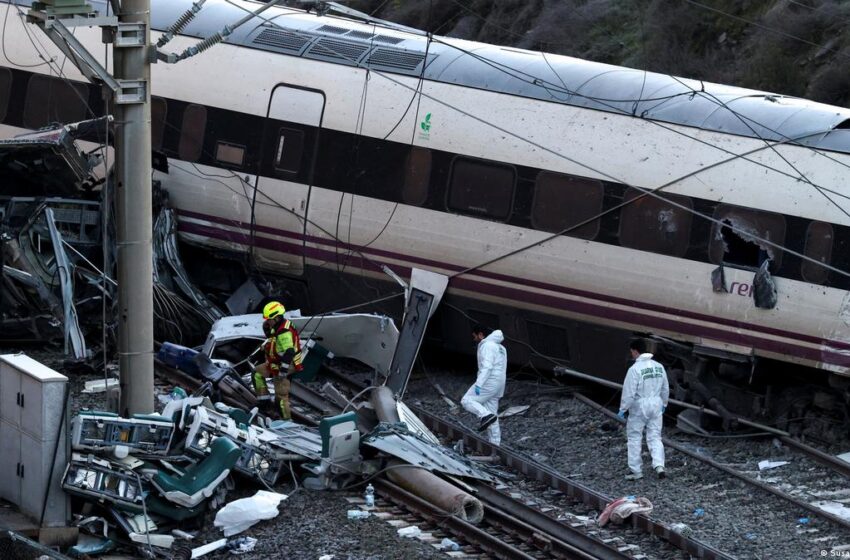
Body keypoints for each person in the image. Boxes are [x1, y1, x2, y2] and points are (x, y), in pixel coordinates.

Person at [618, 339, 669, 480]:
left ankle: (636, 471)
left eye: (632, 352)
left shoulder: (634, 369)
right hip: (656, 404)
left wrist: (623, 409)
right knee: (655, 437)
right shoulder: (659, 367)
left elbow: (629, 393)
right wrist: (664, 403)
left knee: (634, 437)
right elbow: (665, 388)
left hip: (640, 407)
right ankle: (659, 466)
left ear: (635, 351)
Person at [252, 301, 303, 420]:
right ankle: (264, 403)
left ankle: (286, 420)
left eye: (269, 319)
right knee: (257, 373)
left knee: (280, 396)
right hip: (275, 363)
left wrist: (283, 371)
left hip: (286, 365)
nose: (267, 321)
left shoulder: (284, 332)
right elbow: (272, 337)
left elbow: (289, 352)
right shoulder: (279, 326)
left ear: (277, 317)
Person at [461, 324, 507, 445]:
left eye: (475, 336)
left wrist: (479, 384)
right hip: (499, 384)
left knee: (466, 400)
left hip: (489, 381)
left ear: (481, 334)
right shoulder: (500, 347)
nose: (474, 339)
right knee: (493, 414)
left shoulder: (487, 345)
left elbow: (487, 367)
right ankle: (495, 445)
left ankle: (484, 415)